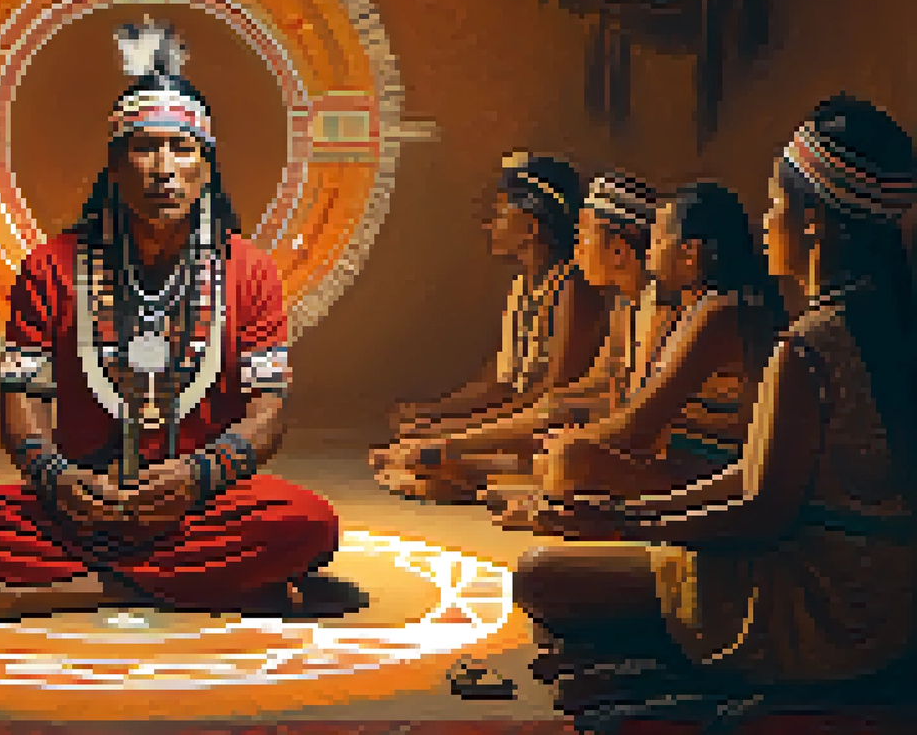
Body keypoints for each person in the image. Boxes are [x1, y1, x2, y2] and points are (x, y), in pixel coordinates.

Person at [0, 19, 339, 631]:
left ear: (207, 168)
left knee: (310, 525)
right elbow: (20, 403)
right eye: (144, 147)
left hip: (196, 500)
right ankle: (196, 585)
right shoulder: (50, 266)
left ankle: (62, 593)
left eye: (182, 149)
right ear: (114, 164)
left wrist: (198, 474)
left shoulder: (250, 271)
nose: (163, 167)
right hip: (82, 497)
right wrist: (57, 479)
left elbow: (268, 412)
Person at [510, 94, 917, 723]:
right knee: (579, 561)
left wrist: (629, 526)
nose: (765, 220)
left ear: (815, 223)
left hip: (825, 607)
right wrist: (628, 515)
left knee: (540, 576)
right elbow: (754, 481)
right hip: (877, 594)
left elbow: (759, 510)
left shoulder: (810, 344)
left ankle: (683, 670)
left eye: (777, 204)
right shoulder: (872, 324)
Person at [494, 180, 787, 516]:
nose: (649, 251)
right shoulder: (695, 310)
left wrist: (572, 440)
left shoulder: (721, 313)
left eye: (659, 240)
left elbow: (639, 424)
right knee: (562, 456)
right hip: (674, 464)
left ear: (689, 255)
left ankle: (568, 501)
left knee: (569, 459)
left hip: (710, 476)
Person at [377, 172, 660, 502]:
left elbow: (609, 406)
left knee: (562, 446)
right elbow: (570, 389)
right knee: (555, 427)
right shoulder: (624, 303)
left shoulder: (596, 292)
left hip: (635, 442)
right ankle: (467, 468)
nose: (576, 245)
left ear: (619, 252)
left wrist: (446, 435)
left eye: (584, 234)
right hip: (589, 427)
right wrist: (438, 419)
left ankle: (467, 469)